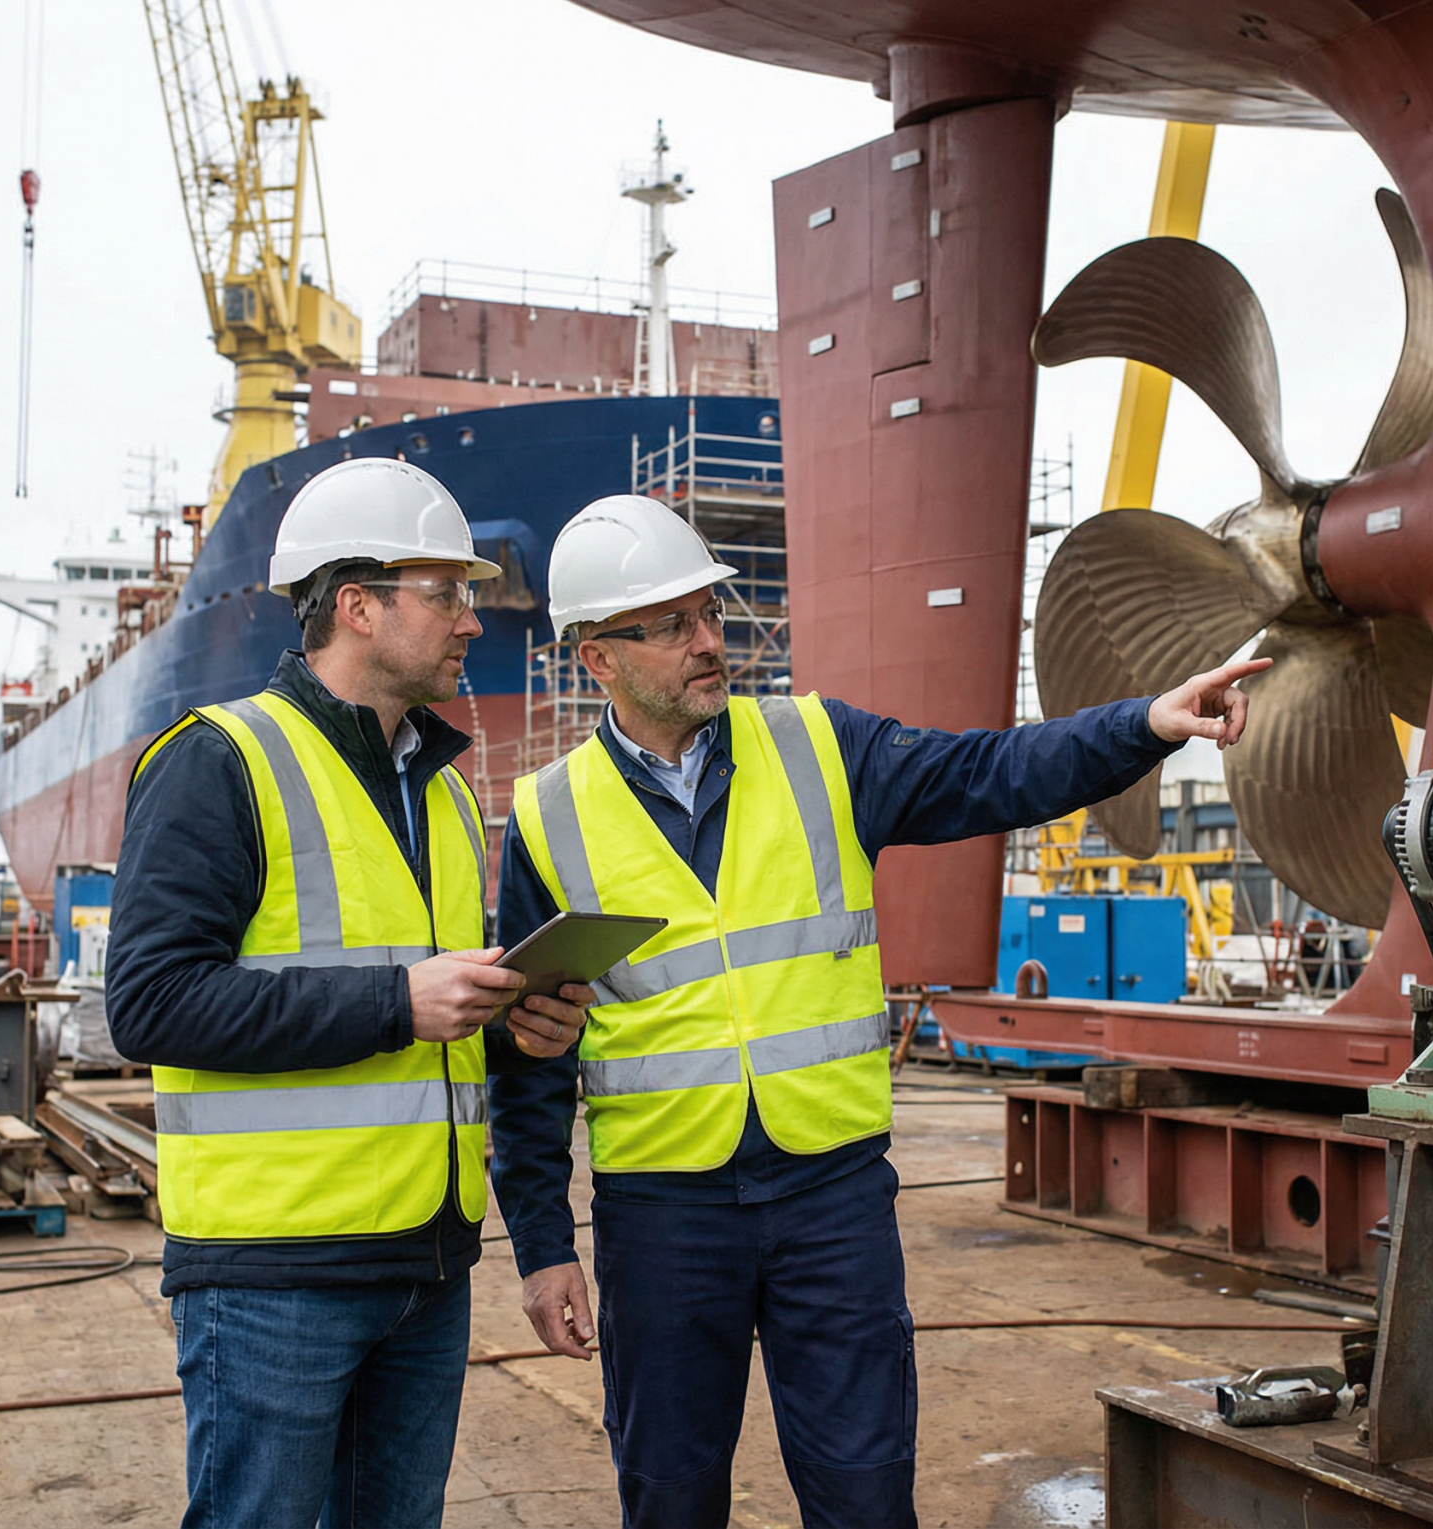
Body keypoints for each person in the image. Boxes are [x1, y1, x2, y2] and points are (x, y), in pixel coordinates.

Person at [488, 493, 1268, 1528]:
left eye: (709, 612)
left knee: (862, 1494)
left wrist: (1144, 723)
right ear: (599, 658)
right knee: (668, 1494)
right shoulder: (548, 814)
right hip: (663, 1215)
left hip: (830, 1199)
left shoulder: (818, 745)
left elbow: (989, 772)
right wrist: (543, 1243)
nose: (710, 640)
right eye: (671, 623)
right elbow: (528, 1061)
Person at [106, 457, 596, 1529]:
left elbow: (430, 1020)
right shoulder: (218, 760)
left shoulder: (448, 798)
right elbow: (148, 1002)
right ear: (359, 605)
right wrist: (397, 1000)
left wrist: (512, 1028)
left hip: (423, 1265)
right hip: (271, 1277)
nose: (474, 619)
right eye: (448, 593)